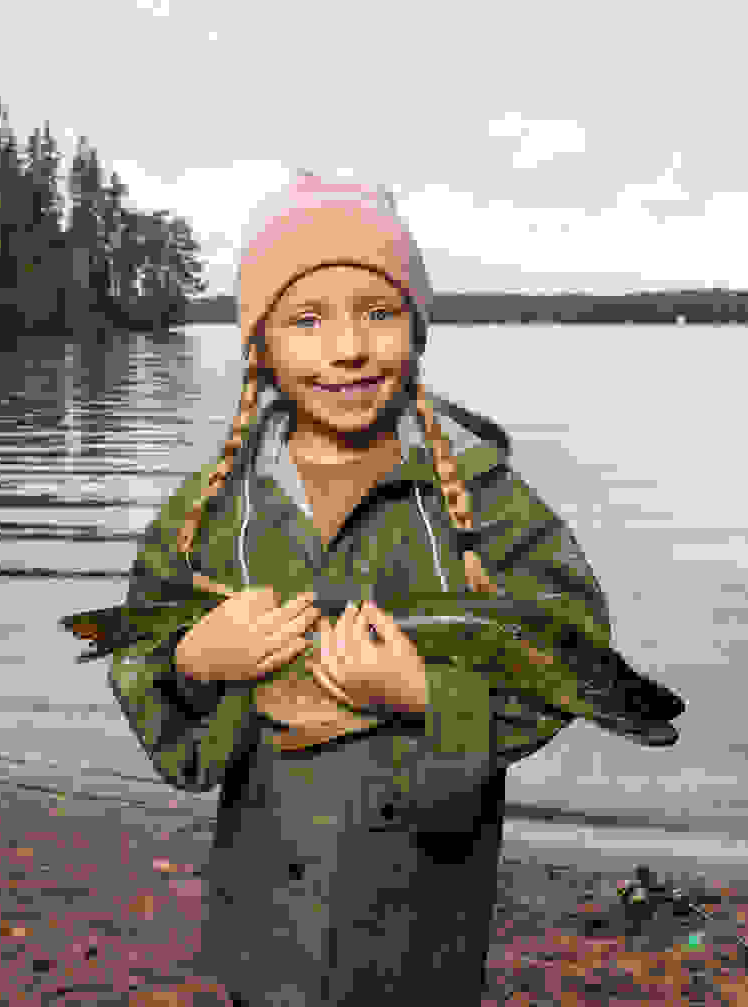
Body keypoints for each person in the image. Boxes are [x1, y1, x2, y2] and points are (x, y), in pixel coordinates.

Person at [106, 170, 625, 1005]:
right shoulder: (218, 508)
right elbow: (139, 654)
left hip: (422, 936)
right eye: (307, 320)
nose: (347, 348)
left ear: (416, 327)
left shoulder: (481, 495)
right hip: (264, 929)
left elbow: (578, 655)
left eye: (378, 313)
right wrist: (195, 663)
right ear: (261, 345)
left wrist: (428, 695)